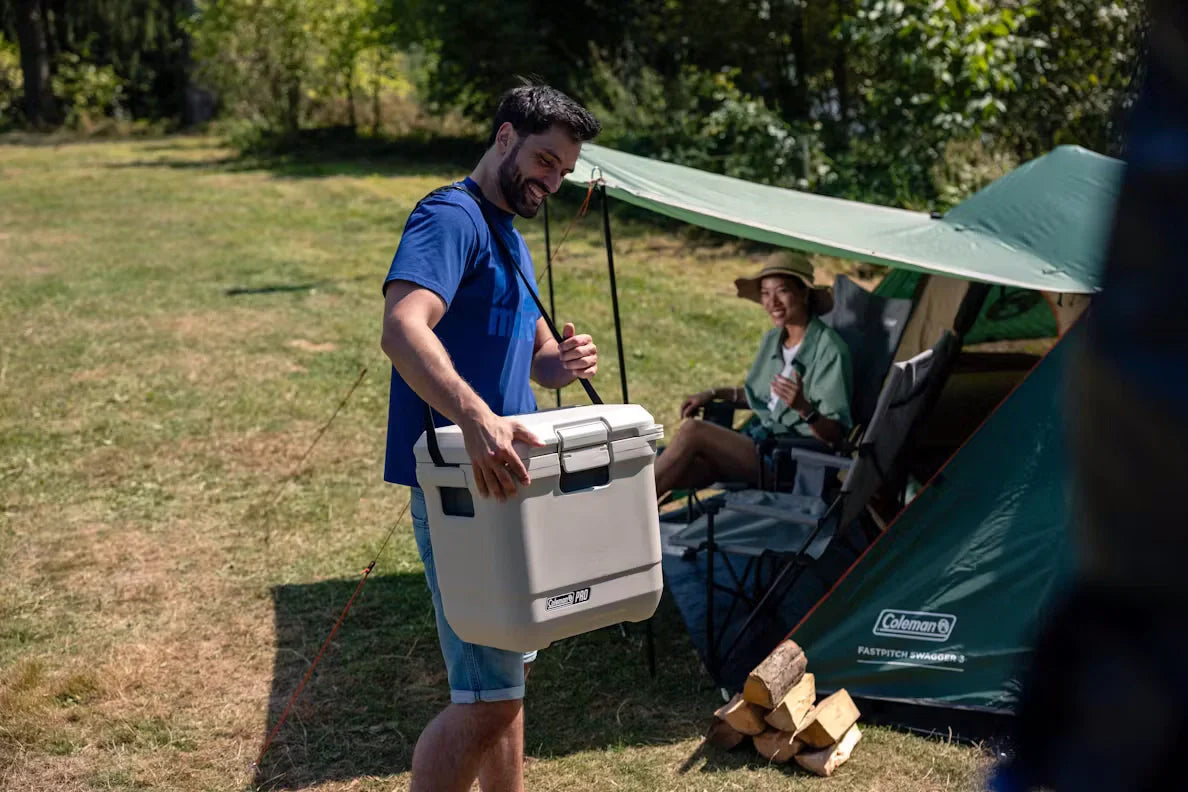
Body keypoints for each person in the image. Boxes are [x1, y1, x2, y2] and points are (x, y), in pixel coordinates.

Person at [379, 84, 601, 792]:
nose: (551, 180)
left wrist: (560, 366)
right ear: (504, 138)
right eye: (544, 160)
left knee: (506, 687)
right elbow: (402, 327)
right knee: (485, 699)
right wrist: (474, 419)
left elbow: (533, 357)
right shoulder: (452, 218)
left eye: (563, 172)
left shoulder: (509, 234)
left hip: (512, 484)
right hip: (463, 488)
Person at [653, 255, 853, 498]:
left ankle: (624, 509)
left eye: (782, 291)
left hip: (788, 461)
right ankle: (629, 521)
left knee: (693, 431)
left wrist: (803, 408)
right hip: (756, 445)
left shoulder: (830, 350)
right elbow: (758, 397)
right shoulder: (773, 340)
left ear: (804, 293)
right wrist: (713, 394)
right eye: (766, 293)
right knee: (688, 467)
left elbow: (836, 438)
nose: (773, 302)